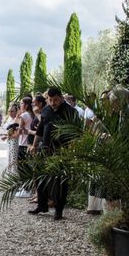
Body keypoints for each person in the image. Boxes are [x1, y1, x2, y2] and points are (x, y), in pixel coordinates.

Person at [28, 87, 80, 221]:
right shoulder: (45, 110)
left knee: (60, 182)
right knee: (41, 177)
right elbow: (40, 130)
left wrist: (73, 151)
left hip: (62, 151)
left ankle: (58, 210)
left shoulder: (71, 112)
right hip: (45, 149)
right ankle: (42, 205)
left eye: (55, 100)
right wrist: (34, 145)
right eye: (50, 100)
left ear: (61, 98)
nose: (52, 103)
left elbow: (77, 133)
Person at [0, 103, 21, 174]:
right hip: (9, 142)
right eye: (9, 111)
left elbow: (15, 134)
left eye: (12, 111)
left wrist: (6, 136)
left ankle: (14, 177)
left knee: (13, 161)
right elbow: (10, 131)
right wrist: (5, 135)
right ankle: (10, 176)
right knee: (9, 159)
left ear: (16, 111)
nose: (10, 113)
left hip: (15, 142)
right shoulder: (9, 119)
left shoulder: (17, 120)